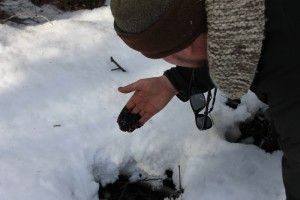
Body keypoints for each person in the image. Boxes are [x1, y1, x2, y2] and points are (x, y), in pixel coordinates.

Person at [110, 0, 300, 199]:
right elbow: (224, 48)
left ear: (186, 47)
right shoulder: (242, 13)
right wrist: (173, 82)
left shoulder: (287, 69)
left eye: (164, 54)